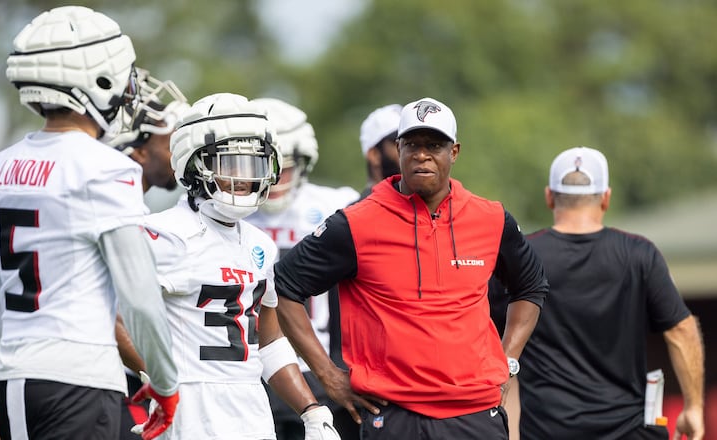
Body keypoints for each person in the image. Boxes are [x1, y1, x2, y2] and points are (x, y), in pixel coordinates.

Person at [0, 6, 179, 440]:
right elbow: (140, 298)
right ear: (99, 79)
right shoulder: (105, 169)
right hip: (80, 380)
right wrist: (166, 382)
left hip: (10, 380)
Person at [273, 97, 549, 439]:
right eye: (412, 145)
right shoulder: (355, 222)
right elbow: (284, 287)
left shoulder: (491, 218)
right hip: (393, 416)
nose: (422, 155)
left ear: (455, 152)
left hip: (475, 413)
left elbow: (531, 286)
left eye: (434, 145)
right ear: (399, 149)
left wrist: (509, 361)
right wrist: (328, 375)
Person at [132, 92, 341, 439]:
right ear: (192, 163)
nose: (244, 178)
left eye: (253, 165)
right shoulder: (163, 234)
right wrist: (153, 375)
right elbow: (116, 317)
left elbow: (269, 342)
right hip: (189, 407)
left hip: (251, 409)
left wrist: (311, 409)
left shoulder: (260, 244)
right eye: (231, 164)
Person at [515, 146, 705, 440]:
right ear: (606, 197)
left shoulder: (522, 257)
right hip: (629, 432)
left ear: (549, 196)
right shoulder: (639, 253)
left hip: (548, 432)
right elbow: (681, 329)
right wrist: (693, 407)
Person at [246, 98, 360, 439]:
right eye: (267, 167)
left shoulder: (334, 205)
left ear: (305, 161)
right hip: (251, 365)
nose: (276, 178)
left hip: (317, 362)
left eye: (286, 167)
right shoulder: (231, 212)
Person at [106, 67, 191, 440]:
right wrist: (160, 378)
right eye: (172, 141)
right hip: (107, 387)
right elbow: (108, 316)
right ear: (138, 150)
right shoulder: (114, 210)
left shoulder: (137, 210)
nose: (180, 153)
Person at [356, 104, 402, 200]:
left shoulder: (424, 206)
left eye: (412, 143)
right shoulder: (355, 213)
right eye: (398, 143)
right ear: (374, 155)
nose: (411, 152)